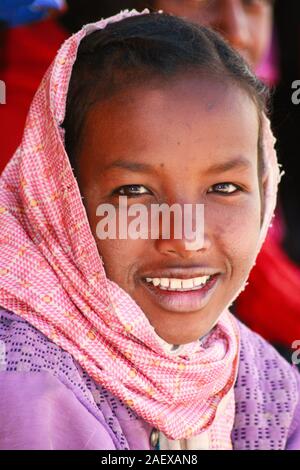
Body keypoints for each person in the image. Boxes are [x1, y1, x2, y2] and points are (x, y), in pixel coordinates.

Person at [0, 9, 299, 450]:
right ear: (59, 201)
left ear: (265, 189)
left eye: (223, 187)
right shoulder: (29, 388)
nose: (186, 236)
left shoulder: (248, 367)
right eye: (135, 192)